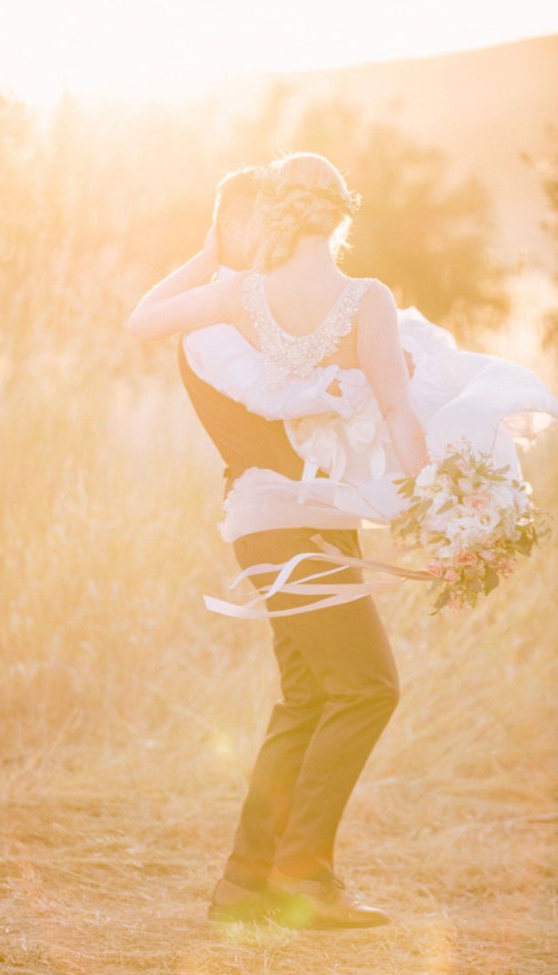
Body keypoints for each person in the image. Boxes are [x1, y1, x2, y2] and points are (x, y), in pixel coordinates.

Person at [128, 151, 558, 928]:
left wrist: (205, 256)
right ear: (341, 214)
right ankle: (304, 878)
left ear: (283, 211)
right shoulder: (365, 300)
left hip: (283, 523)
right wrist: (434, 510)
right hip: (290, 518)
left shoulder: (235, 298)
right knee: (368, 686)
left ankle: (243, 883)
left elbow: (141, 320)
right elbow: (398, 416)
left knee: (309, 695)